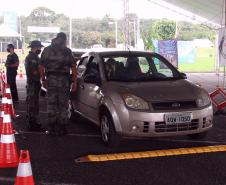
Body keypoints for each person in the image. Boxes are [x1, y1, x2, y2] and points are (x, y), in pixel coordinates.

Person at [39, 32, 77, 136]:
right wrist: (74, 81)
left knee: (51, 104)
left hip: (51, 80)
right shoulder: (67, 51)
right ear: (64, 39)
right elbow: (73, 67)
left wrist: (43, 79)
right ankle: (62, 128)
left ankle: (51, 128)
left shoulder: (47, 50)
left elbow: (41, 66)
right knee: (63, 104)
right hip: (64, 81)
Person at [25, 40, 44, 132]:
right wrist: (42, 74)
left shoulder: (35, 57)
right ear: (34, 47)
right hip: (32, 83)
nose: (40, 49)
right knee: (32, 104)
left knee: (34, 103)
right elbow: (35, 71)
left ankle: (33, 122)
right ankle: (32, 124)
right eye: (39, 47)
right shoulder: (31, 58)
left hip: (35, 83)